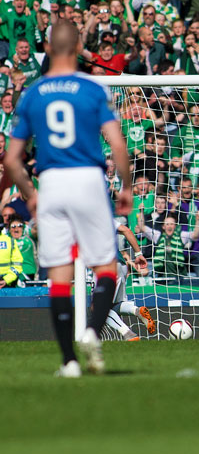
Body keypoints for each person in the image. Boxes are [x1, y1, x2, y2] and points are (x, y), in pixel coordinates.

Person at [3, 23, 133, 377]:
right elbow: (117, 143)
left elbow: (12, 159)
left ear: (47, 47)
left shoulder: (32, 93)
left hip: (52, 182)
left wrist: (30, 196)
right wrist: (126, 188)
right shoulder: (92, 88)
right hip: (88, 179)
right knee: (106, 267)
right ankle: (93, 330)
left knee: (58, 275)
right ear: (78, 47)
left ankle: (69, 362)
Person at [104, 222, 156, 341]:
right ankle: (136, 311)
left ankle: (128, 334)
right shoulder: (105, 215)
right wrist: (138, 254)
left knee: (98, 308)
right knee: (115, 305)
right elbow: (126, 230)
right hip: (121, 265)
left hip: (105, 266)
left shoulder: (84, 219)